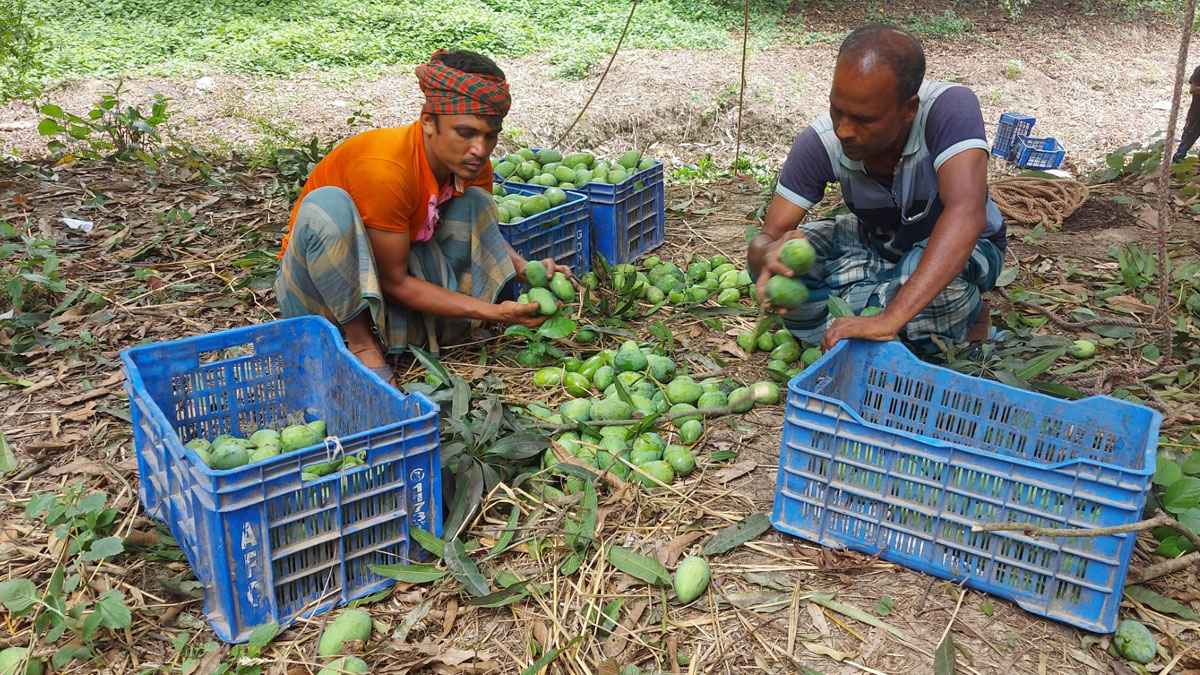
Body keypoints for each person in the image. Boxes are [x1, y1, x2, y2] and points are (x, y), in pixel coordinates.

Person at [274, 49, 568, 380]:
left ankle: (425, 335)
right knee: (327, 206)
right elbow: (394, 281)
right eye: (466, 132)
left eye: (490, 136)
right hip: (322, 293)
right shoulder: (386, 169)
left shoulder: (471, 163)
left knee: (476, 202)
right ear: (428, 122)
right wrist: (494, 312)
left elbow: (484, 230)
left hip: (392, 281)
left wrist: (524, 270)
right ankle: (359, 342)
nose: (480, 149)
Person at [749, 25, 1004, 354]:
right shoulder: (820, 141)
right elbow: (767, 238)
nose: (844, 130)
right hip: (876, 243)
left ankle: (892, 307)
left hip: (968, 245)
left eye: (864, 119)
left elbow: (966, 213)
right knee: (797, 261)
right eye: (836, 110)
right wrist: (767, 256)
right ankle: (897, 307)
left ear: (908, 109)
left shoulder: (948, 108)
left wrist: (890, 317)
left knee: (933, 296)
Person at [1172, 66, 1200, 163]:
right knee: (1185, 143)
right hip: (1196, 115)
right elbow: (1192, 89)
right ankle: (1175, 166)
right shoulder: (1199, 70)